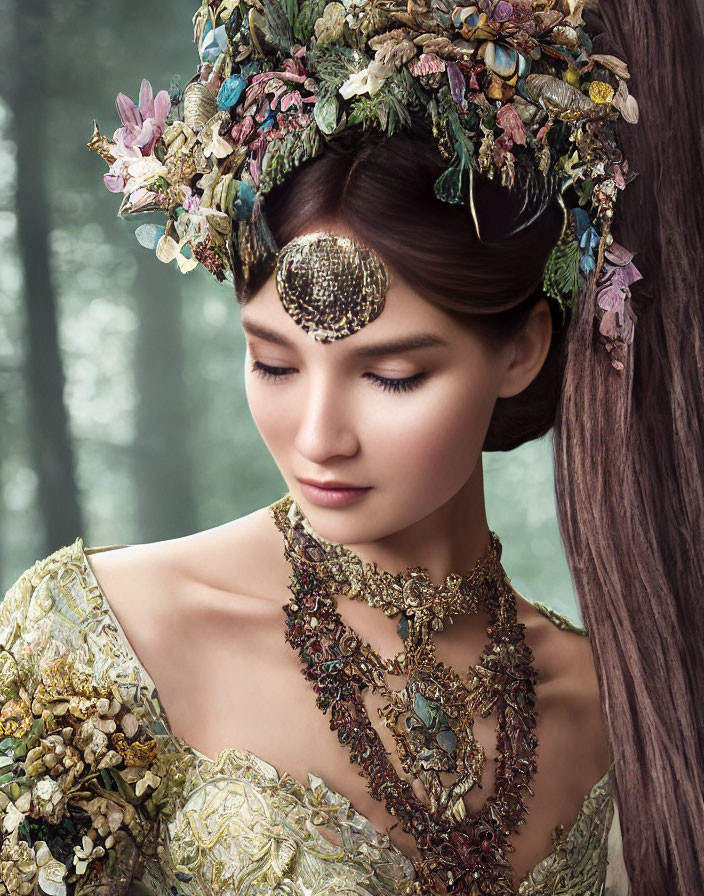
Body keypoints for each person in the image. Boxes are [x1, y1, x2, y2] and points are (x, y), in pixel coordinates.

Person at [1, 1, 702, 894]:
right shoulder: (112, 638)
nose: (318, 438)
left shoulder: (611, 705)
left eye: (393, 376)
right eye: (273, 363)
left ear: (522, 348)